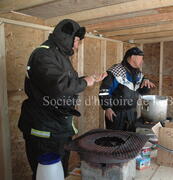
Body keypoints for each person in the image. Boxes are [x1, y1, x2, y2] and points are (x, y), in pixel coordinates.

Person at [18, 19, 107, 179]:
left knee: (59, 173)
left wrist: (87, 78)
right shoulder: (43, 54)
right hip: (44, 130)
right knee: (47, 174)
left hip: (56, 126)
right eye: (77, 40)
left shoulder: (57, 55)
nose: (78, 45)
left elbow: (61, 82)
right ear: (68, 37)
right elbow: (58, 86)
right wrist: (84, 82)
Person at [99, 47, 155, 131]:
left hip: (132, 112)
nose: (142, 61)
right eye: (141, 58)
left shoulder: (138, 73)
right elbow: (104, 91)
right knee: (115, 139)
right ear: (132, 57)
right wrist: (107, 108)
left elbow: (141, 92)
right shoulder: (115, 71)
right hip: (116, 113)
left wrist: (146, 85)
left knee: (130, 137)